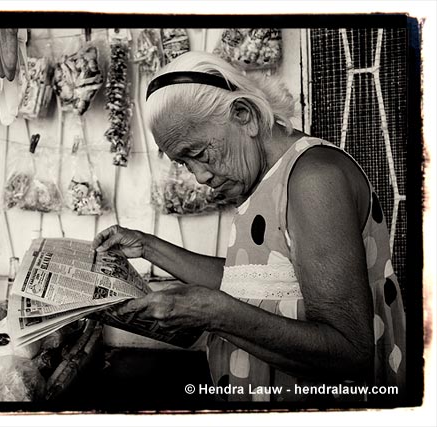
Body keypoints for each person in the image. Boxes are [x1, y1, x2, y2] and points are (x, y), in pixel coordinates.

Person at [92, 51, 406, 402]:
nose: (200, 176)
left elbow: (350, 351)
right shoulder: (263, 179)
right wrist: (148, 247)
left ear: (245, 116)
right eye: (184, 163)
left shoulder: (313, 177)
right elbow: (257, 283)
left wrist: (213, 313)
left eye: (199, 153)